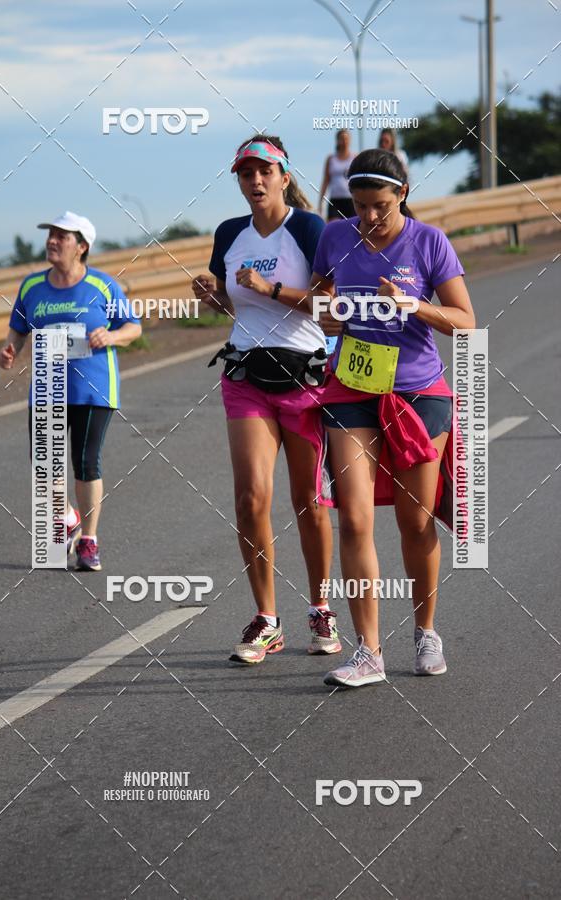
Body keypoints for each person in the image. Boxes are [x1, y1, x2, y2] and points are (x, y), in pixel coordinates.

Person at [311, 149, 475, 688]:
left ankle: (426, 630)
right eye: (359, 206)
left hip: (417, 393)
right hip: (352, 387)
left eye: (379, 206)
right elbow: (320, 306)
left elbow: (465, 322)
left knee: (415, 521)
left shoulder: (428, 242)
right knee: (355, 519)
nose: (369, 218)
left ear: (401, 194)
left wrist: (413, 305)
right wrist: (329, 315)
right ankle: (368, 652)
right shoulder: (336, 237)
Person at [192, 135, 341, 665]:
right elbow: (230, 305)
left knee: (308, 500)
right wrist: (212, 298)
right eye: (245, 173)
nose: (254, 181)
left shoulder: (307, 228)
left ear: (283, 175)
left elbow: (330, 304)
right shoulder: (229, 233)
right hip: (246, 374)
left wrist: (272, 288)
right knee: (251, 498)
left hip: (304, 379)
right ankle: (267, 619)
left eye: (263, 172)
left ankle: (321, 606)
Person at [0, 211, 141, 571]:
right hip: (47, 387)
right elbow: (18, 326)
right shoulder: (32, 286)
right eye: (51, 235)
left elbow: (132, 327)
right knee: (45, 467)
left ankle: (89, 540)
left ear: (82, 246)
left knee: (84, 462)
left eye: (62, 236)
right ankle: (66, 516)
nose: (52, 241)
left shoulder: (103, 285)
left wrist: (110, 335)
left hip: (93, 387)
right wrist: (10, 348)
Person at [318, 129, 356, 221]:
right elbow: (326, 181)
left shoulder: (354, 157)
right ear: (337, 141)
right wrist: (321, 202)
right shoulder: (331, 159)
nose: (344, 141)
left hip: (351, 200)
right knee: (333, 226)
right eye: (342, 139)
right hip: (335, 200)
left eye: (346, 139)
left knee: (352, 228)